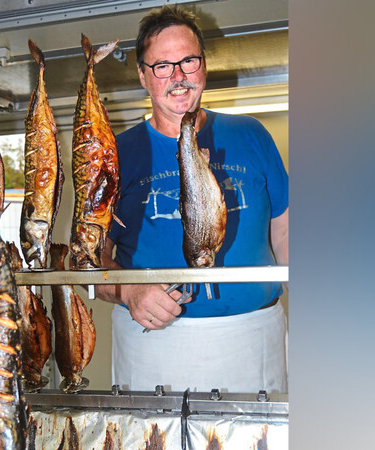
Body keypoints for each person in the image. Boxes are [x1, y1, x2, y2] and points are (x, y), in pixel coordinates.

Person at [95, 5, 289, 394]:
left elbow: (285, 235)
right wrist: (128, 291)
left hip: (255, 340)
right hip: (154, 346)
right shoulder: (117, 153)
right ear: (142, 76)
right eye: (162, 66)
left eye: (188, 61)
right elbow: (86, 258)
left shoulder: (252, 134)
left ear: (204, 65)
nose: (178, 77)